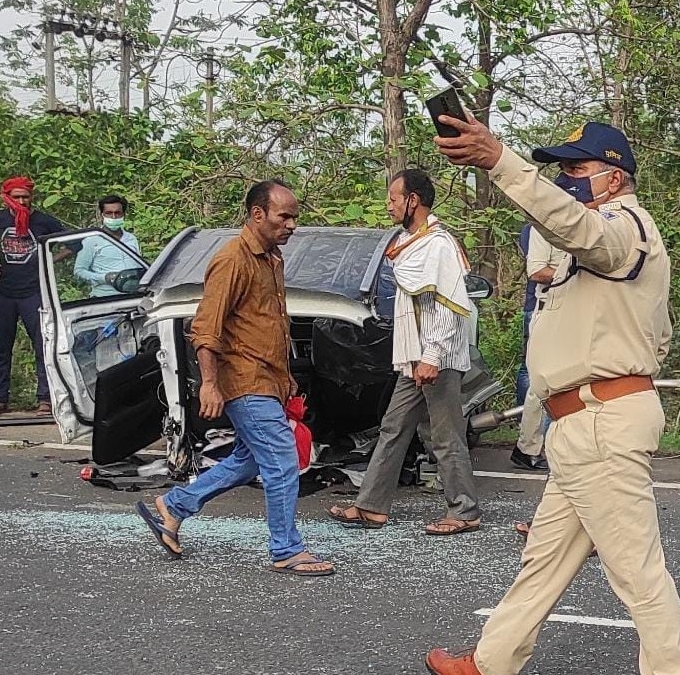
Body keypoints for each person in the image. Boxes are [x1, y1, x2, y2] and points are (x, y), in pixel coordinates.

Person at [426, 120, 680, 675]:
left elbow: (578, 228)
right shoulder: (602, 246)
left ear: (614, 178)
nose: (566, 179)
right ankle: (492, 660)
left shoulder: (623, 226)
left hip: (601, 419)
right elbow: (659, 334)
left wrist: (500, 161)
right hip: (582, 423)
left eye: (576, 169)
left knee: (636, 571)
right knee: (545, 559)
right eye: (562, 169)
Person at [133, 180, 335, 576]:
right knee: (280, 462)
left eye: (294, 216)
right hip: (245, 381)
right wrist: (209, 383)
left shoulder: (271, 258)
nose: (292, 224)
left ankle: (173, 507)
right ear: (258, 214)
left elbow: (266, 326)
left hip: (268, 380)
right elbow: (206, 327)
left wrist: (286, 378)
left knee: (247, 461)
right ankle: (286, 549)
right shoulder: (233, 260)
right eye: (284, 216)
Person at [326, 168, 483, 536]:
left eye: (394, 198)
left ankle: (465, 511)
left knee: (444, 436)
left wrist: (432, 356)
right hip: (415, 359)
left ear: (413, 200)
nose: (389, 204)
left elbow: (448, 306)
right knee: (394, 427)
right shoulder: (410, 242)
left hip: (436, 358)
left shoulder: (439, 244)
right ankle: (371, 507)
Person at [0, 176, 66, 416]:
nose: (22, 201)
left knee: (42, 345)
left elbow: (73, 244)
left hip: (33, 292)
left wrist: (47, 262)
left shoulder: (43, 221)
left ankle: (45, 399)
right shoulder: (0, 219)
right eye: (17, 197)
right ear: (6, 197)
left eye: (25, 196)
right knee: (1, 346)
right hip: (3, 292)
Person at [510, 223, 564, 472]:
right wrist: (575, 269)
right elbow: (537, 271)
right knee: (539, 382)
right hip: (545, 310)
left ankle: (549, 445)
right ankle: (528, 447)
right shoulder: (539, 229)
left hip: (569, 311)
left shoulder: (576, 227)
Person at [74, 195, 141, 298]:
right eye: (109, 213)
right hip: (105, 298)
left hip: (134, 296)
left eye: (117, 213)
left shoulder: (132, 239)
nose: (113, 217)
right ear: (102, 216)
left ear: (124, 215)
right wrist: (104, 278)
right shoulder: (91, 241)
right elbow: (79, 272)